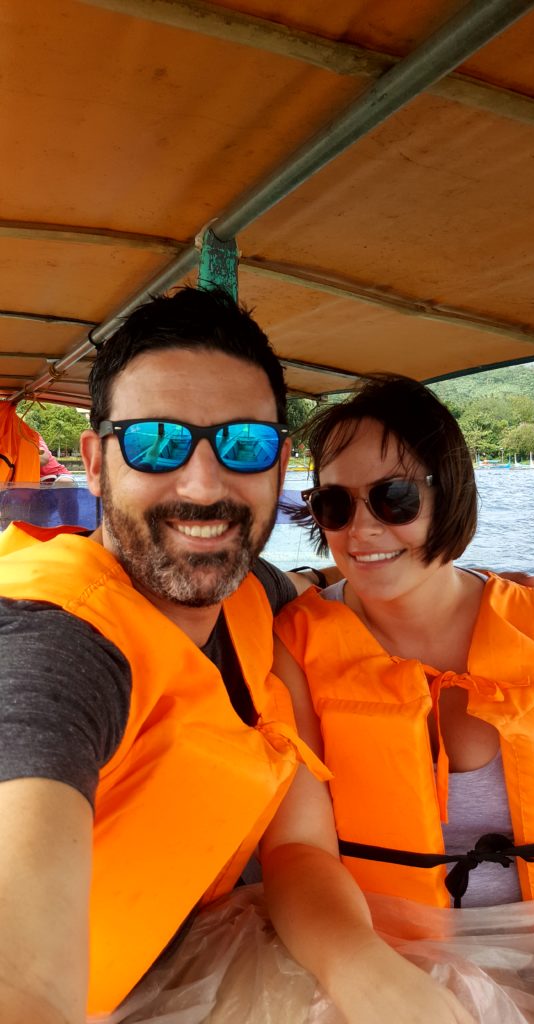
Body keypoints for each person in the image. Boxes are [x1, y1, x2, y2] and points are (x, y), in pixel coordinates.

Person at [0, 285, 331, 1024]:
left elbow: (322, 584)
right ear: (94, 462)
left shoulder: (253, 592)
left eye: (245, 443)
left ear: (280, 466)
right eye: (157, 441)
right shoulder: (51, 646)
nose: (205, 486)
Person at [265, 373, 534, 1024]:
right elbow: (299, 850)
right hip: (384, 953)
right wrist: (370, 980)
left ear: (449, 493)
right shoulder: (296, 648)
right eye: (335, 505)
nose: (362, 530)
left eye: (394, 498)